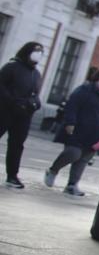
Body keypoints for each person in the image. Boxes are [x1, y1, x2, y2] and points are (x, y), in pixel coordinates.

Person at [44, 67, 99, 197]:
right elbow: (72, 106)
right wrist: (70, 122)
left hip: (96, 134)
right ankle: (53, 170)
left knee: (83, 159)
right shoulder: (85, 90)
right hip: (78, 130)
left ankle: (72, 184)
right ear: (98, 77)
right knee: (73, 153)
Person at [0, 42, 44, 189]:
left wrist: (35, 103)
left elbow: (36, 94)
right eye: (36, 50)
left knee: (17, 145)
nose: (38, 54)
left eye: (41, 52)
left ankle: (12, 175)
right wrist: (12, 101)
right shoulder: (11, 67)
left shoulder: (36, 73)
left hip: (24, 115)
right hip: (5, 111)